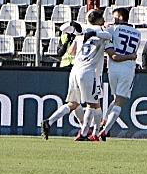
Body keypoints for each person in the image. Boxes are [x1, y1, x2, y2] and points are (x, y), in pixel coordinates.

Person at [41, 9, 115, 141]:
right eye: (102, 18)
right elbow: (109, 37)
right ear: (98, 20)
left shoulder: (80, 34)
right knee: (92, 104)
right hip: (88, 71)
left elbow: (71, 51)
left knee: (73, 103)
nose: (104, 20)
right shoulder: (101, 32)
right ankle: (85, 133)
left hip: (75, 69)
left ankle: (49, 121)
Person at [98, 7, 141, 140]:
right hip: (127, 69)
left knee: (116, 98)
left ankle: (104, 121)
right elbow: (133, 53)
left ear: (121, 17)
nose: (112, 20)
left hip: (113, 69)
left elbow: (103, 35)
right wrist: (131, 56)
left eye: (114, 17)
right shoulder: (137, 33)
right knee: (120, 101)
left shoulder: (113, 29)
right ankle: (105, 131)